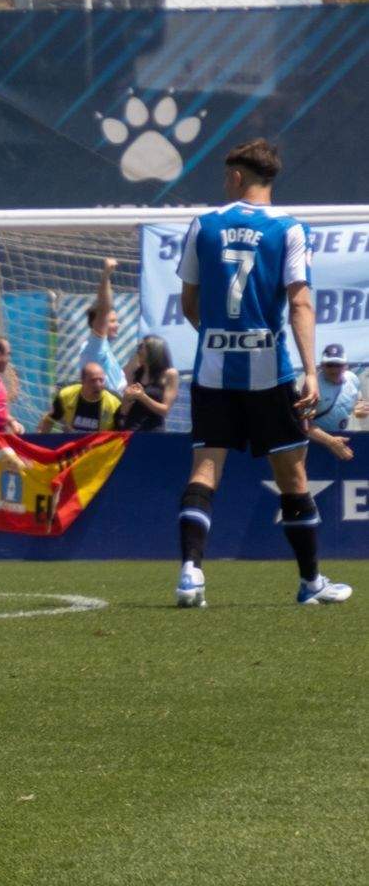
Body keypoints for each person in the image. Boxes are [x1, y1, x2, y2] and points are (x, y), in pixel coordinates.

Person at [173, 138, 350, 610]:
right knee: (293, 478)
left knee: (205, 470)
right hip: (269, 372)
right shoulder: (290, 229)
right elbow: (300, 301)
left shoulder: (203, 225)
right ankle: (310, 582)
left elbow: (189, 303)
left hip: (212, 371)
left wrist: (216, 337)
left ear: (236, 176)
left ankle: (191, 574)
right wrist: (312, 371)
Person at [40, 360, 123, 435]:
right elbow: (49, 420)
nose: (98, 385)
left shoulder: (115, 403)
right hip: (73, 445)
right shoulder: (66, 395)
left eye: (101, 380)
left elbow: (123, 433)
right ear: (83, 381)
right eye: (93, 380)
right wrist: (40, 442)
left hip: (101, 448)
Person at [306, 342, 359, 462]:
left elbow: (356, 402)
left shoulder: (353, 379)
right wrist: (330, 441)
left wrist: (360, 409)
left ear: (346, 365)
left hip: (344, 443)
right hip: (316, 445)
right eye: (329, 365)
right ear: (321, 365)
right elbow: (303, 424)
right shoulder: (312, 387)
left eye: (338, 364)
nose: (334, 369)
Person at [79, 259, 126, 387]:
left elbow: (119, 381)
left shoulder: (103, 346)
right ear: (98, 322)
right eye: (112, 321)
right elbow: (104, 307)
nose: (117, 325)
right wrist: (106, 276)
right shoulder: (95, 346)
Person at [119, 335, 178, 434]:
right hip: (131, 429)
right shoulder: (137, 372)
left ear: (153, 350)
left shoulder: (169, 374)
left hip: (153, 431)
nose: (138, 350)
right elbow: (123, 376)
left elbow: (165, 410)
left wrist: (142, 397)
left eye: (141, 347)